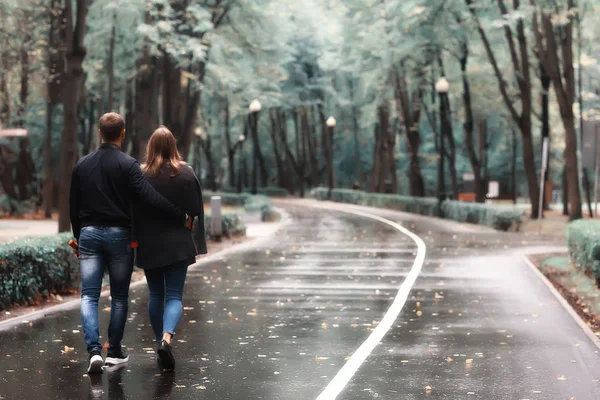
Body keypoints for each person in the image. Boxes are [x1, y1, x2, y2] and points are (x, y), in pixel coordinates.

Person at [69, 113, 184, 374]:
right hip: (119, 236)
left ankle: (94, 351)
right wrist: (179, 214)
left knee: (89, 295)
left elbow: (73, 207)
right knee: (119, 296)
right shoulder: (127, 164)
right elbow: (148, 197)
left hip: (88, 235)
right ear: (122, 133)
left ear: (100, 133)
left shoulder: (82, 164)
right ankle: (115, 351)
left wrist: (79, 237)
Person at [134, 126, 206, 371]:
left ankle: (158, 343)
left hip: (150, 242)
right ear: (173, 146)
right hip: (178, 243)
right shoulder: (186, 173)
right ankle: (166, 339)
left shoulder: (141, 174)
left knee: (156, 295)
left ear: (150, 147)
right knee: (174, 295)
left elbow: (135, 209)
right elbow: (195, 209)